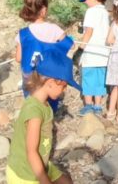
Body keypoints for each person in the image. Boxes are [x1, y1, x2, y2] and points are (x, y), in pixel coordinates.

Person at [5, 48, 79, 184]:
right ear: (50, 83)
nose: (64, 90)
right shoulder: (35, 112)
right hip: (25, 173)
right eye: (63, 86)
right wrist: (44, 180)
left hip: (41, 163)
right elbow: (31, 151)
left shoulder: (43, 103)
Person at [15, 0, 69, 112]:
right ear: (44, 10)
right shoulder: (54, 28)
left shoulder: (23, 33)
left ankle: (35, 119)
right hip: (51, 72)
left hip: (30, 74)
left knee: (33, 104)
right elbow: (67, 46)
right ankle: (49, 117)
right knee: (51, 104)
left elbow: (18, 58)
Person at [77, 0, 110, 116]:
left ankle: (88, 105)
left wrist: (80, 49)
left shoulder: (91, 12)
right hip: (103, 52)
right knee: (100, 80)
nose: (85, 1)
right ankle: (98, 106)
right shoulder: (105, 12)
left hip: (91, 51)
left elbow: (89, 32)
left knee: (88, 78)